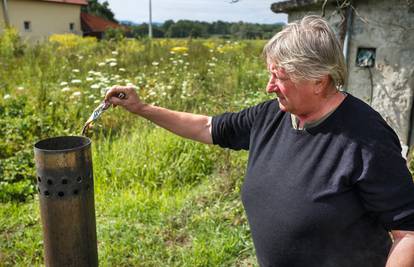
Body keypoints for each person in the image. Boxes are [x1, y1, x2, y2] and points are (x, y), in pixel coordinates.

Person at [105, 15, 414, 267]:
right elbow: (207, 127)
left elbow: (408, 234)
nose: (269, 87)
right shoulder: (271, 116)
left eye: (278, 77)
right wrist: (142, 108)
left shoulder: (367, 137)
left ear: (318, 80)